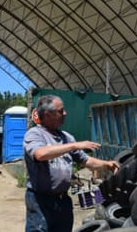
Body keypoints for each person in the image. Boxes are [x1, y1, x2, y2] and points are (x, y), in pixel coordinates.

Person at [23, 94, 119, 232]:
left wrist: (107, 164)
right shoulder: (34, 134)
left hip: (63, 200)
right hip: (40, 200)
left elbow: (86, 161)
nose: (65, 113)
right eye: (61, 111)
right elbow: (40, 154)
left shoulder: (66, 137)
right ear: (48, 114)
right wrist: (74, 146)